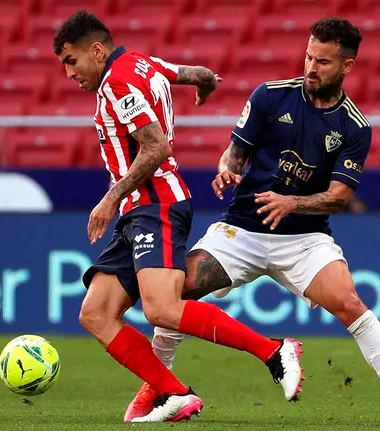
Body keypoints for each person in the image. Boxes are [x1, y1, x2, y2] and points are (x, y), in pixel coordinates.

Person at [126, 17, 380, 425]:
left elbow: (339, 198)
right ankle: (158, 388)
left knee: (351, 303)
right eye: (308, 56)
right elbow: (234, 153)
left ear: (347, 66)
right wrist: (228, 170)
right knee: (174, 291)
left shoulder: (354, 127)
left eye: (322, 61)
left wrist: (292, 203)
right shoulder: (270, 96)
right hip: (242, 229)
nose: (310, 67)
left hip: (304, 238)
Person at [52, 11, 304, 424]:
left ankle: (274, 351)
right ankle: (173, 394)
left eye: (71, 60)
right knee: (96, 312)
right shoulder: (141, 62)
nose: (68, 74)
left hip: (157, 205)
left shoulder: (117, 82)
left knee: (163, 308)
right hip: (139, 213)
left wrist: (110, 198)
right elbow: (196, 73)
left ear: (96, 50)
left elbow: (156, 149)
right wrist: (204, 84)